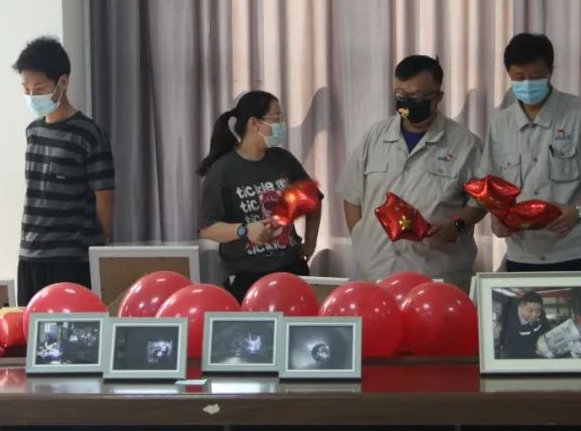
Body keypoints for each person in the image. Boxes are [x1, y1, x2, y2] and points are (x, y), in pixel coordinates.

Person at [338, 56, 486, 289]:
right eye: (401, 95)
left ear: (438, 97)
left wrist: (457, 223)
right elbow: (351, 194)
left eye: (416, 97)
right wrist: (361, 237)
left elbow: (481, 202)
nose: (407, 103)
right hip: (376, 272)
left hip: (435, 275)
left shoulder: (466, 145)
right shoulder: (374, 137)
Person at [481, 34, 581, 271]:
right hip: (521, 255)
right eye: (519, 77)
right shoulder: (501, 123)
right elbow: (491, 184)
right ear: (508, 74)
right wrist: (496, 218)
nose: (527, 84)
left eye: (536, 76)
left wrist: (578, 210)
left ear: (550, 71)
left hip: (574, 251)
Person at [14, 37, 116, 305]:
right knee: (27, 325)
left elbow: (105, 197)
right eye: (26, 89)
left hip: (71, 257)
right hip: (30, 253)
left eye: (39, 88)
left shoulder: (89, 134)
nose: (32, 96)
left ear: (63, 82)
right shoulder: (33, 131)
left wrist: (99, 243)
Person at [198, 91, 323, 303]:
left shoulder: (283, 160)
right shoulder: (222, 171)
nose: (281, 126)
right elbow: (208, 228)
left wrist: (310, 244)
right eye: (276, 119)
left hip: (290, 270)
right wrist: (245, 230)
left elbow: (314, 201)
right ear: (254, 123)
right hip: (246, 277)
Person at [499, 292, 551, 358]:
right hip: (513, 353)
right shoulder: (509, 320)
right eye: (530, 311)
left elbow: (547, 329)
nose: (534, 315)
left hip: (534, 346)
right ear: (521, 307)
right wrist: (535, 351)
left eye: (538, 311)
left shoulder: (541, 314)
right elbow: (512, 347)